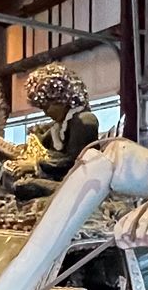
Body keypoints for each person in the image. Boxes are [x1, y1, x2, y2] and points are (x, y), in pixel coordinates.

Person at [11, 64, 99, 199]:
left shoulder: (84, 121)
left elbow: (73, 161)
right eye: (42, 108)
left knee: (27, 186)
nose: (47, 113)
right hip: (64, 183)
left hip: (81, 186)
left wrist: (35, 165)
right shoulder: (58, 128)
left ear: (62, 99)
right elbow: (40, 144)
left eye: (48, 106)